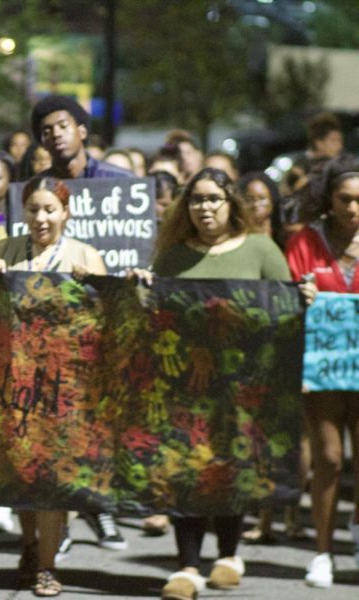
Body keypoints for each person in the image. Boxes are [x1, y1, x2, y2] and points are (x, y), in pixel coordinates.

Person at [147, 167, 316, 600]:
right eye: (196, 200)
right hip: (186, 384)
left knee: (232, 469)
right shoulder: (171, 256)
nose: (205, 208)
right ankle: (187, 566)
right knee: (187, 471)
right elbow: (157, 315)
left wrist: (304, 297)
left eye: (213, 199)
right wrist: (142, 290)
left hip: (246, 386)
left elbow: (285, 307)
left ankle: (228, 554)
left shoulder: (261, 249)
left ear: (231, 203)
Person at [0, 174, 106, 597]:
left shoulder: (85, 255)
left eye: (49, 209)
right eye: (33, 209)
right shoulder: (5, 249)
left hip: (65, 386)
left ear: (66, 213)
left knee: (52, 479)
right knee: (22, 475)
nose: (40, 218)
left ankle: (49, 567)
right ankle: (30, 545)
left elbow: (105, 322)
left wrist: (94, 287)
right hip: (14, 382)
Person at [30, 94, 131, 551]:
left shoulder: (120, 184)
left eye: (63, 125)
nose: (55, 134)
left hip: (103, 324)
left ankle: (102, 509)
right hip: (48, 333)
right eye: (46, 129)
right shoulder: (34, 190)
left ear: (83, 130)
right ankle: (60, 523)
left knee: (96, 426)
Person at [286, 155, 359, 588]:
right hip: (324, 363)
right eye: (345, 199)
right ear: (328, 200)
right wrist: (302, 293)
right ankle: (322, 553)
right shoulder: (304, 242)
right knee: (329, 457)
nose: (354, 209)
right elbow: (288, 290)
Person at [31, 95, 133, 180]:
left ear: (82, 132)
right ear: (42, 143)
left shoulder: (120, 179)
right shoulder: (36, 189)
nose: (56, 134)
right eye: (47, 132)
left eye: (63, 126)